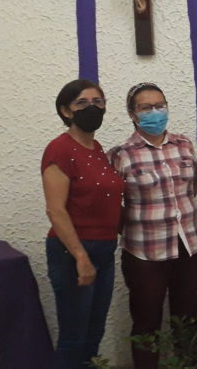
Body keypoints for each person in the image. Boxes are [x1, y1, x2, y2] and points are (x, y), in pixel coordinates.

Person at [107, 83, 197, 368]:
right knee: (146, 322)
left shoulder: (183, 144)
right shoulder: (121, 154)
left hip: (190, 243)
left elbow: (192, 187)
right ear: (132, 114)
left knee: (187, 318)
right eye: (146, 107)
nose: (155, 112)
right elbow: (113, 206)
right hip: (145, 252)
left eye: (160, 105)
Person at [42, 79, 125, 368]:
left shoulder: (97, 148)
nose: (92, 108)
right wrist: (80, 256)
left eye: (98, 102)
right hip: (73, 252)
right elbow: (56, 210)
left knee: (94, 333)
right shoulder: (60, 149)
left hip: (104, 249)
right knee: (74, 337)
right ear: (66, 111)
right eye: (82, 103)